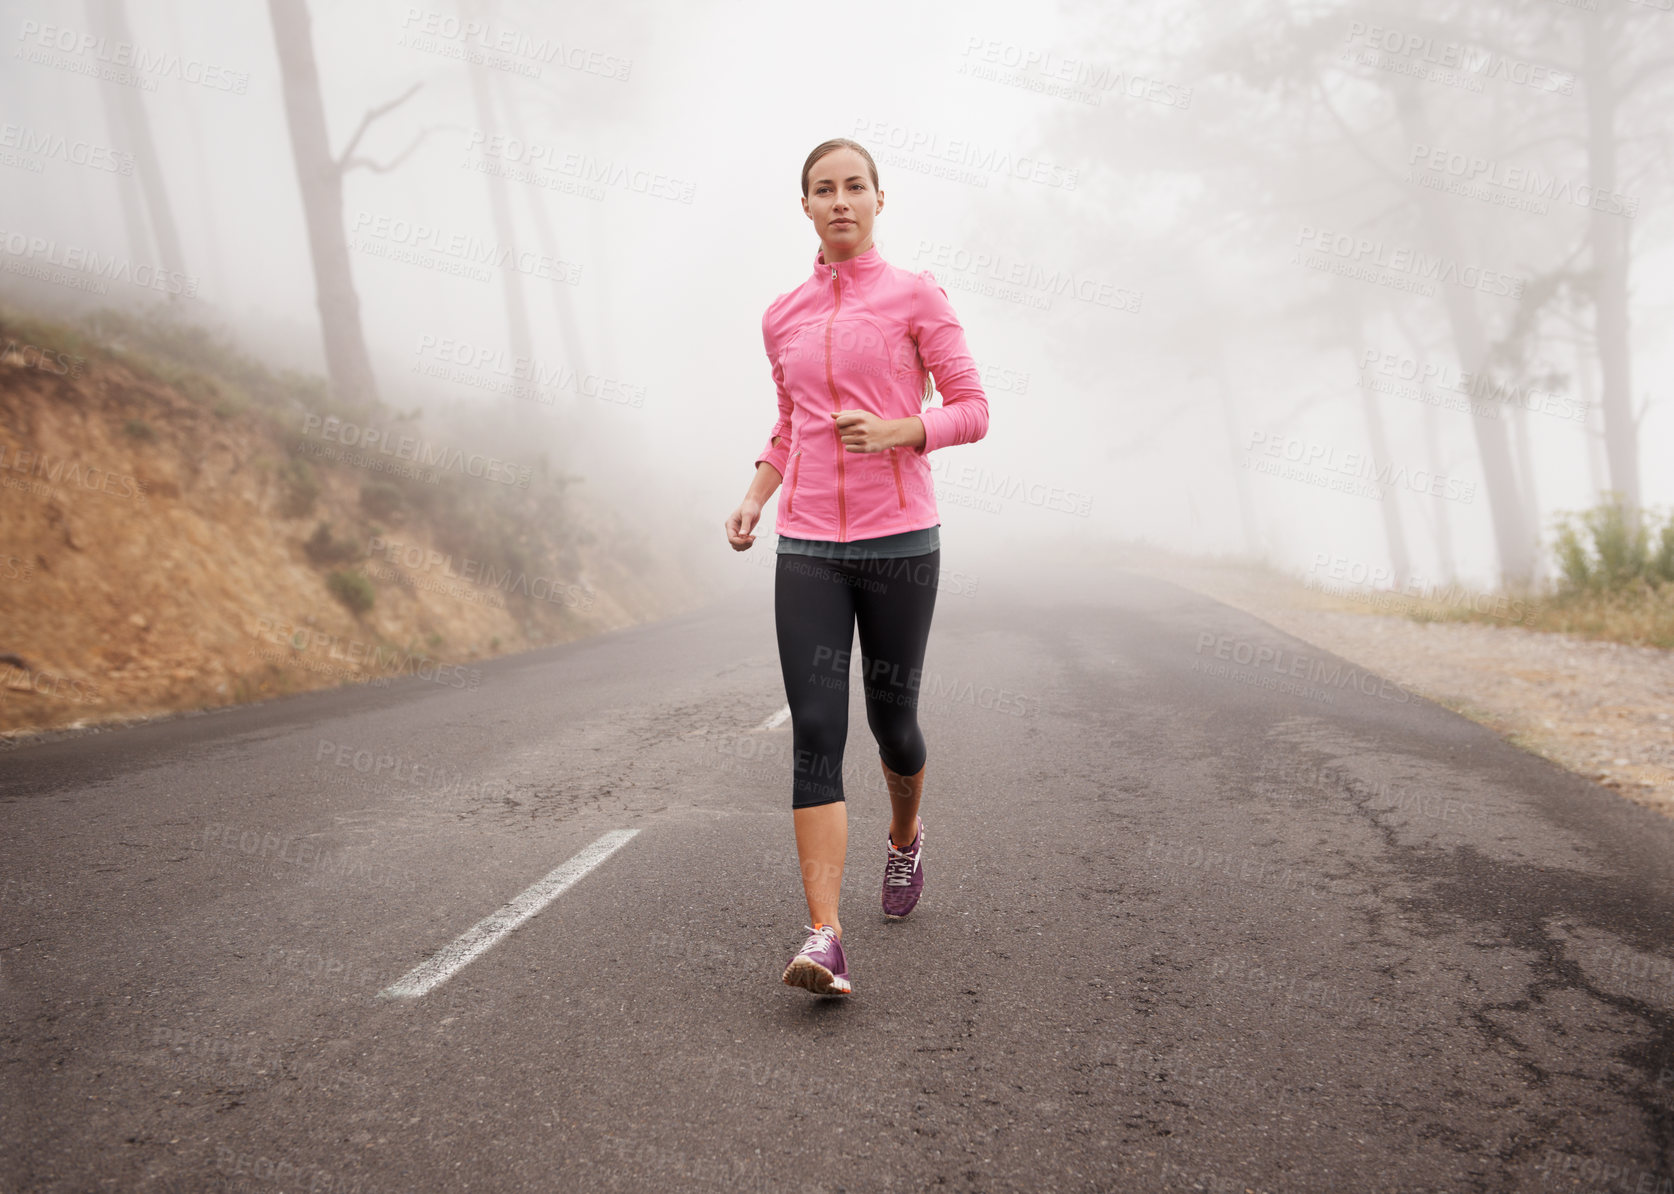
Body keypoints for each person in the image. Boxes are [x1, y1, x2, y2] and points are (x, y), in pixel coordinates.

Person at [724, 137, 990, 997]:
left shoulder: (917, 298)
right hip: (805, 545)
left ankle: (906, 837)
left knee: (893, 726)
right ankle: (825, 935)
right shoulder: (782, 315)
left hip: (900, 544)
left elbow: (974, 409)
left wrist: (903, 431)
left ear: (879, 199)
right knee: (814, 729)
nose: (839, 200)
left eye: (853, 187)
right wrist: (758, 496)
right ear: (804, 207)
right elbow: (788, 425)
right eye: (822, 190)